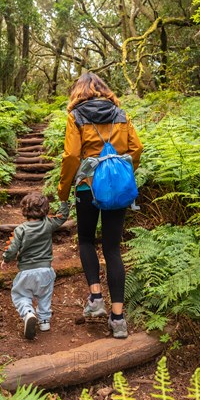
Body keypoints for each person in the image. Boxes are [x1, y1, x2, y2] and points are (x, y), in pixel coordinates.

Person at [57, 72, 143, 339]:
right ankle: (118, 318)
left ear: (78, 92)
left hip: (88, 186)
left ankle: (96, 298)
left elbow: (71, 155)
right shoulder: (121, 114)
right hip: (116, 189)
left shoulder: (76, 117)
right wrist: (121, 174)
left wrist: (63, 190)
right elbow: (136, 148)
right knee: (113, 248)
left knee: (85, 240)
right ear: (104, 90)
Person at [1, 192, 69, 340]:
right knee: (45, 296)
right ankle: (44, 321)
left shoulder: (21, 230)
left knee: (21, 295)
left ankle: (28, 313)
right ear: (45, 210)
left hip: (26, 272)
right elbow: (63, 216)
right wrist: (64, 200)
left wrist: (6, 260)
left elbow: (12, 249)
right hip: (46, 271)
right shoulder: (48, 224)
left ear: (24, 210)